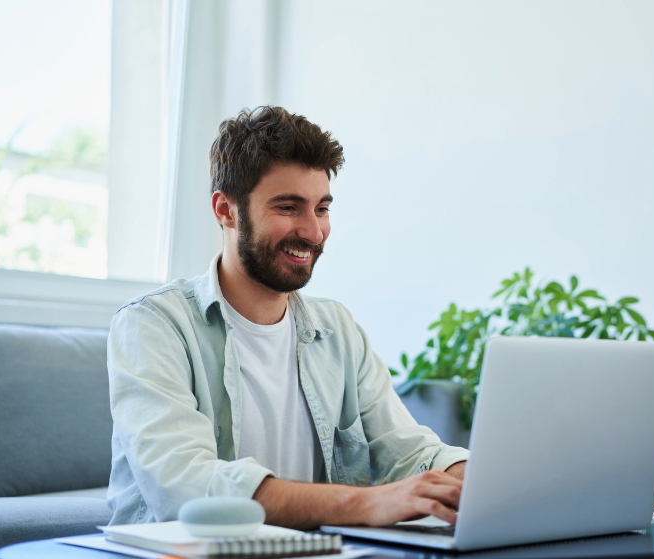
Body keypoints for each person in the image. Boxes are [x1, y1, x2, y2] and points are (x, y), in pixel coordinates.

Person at [106, 106, 469, 530]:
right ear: (226, 210)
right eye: (288, 207)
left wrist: (475, 485)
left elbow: (411, 452)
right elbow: (186, 486)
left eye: (322, 208)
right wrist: (365, 504)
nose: (314, 233)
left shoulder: (339, 331)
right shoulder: (152, 325)